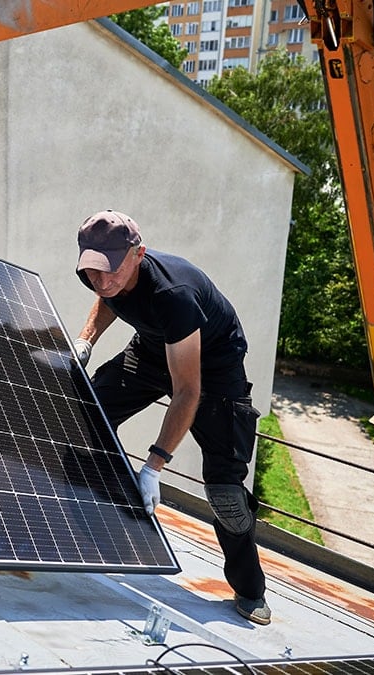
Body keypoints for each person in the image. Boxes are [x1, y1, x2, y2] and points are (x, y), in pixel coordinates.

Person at [71, 210, 271, 625]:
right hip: (152, 348)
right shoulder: (111, 274)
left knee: (226, 494)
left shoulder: (173, 294)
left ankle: (250, 590)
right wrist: (85, 341)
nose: (102, 280)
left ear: (138, 254)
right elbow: (109, 296)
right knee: (84, 416)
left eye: (110, 270)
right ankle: (101, 530)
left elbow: (188, 391)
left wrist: (154, 465)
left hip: (213, 372)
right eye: (93, 271)